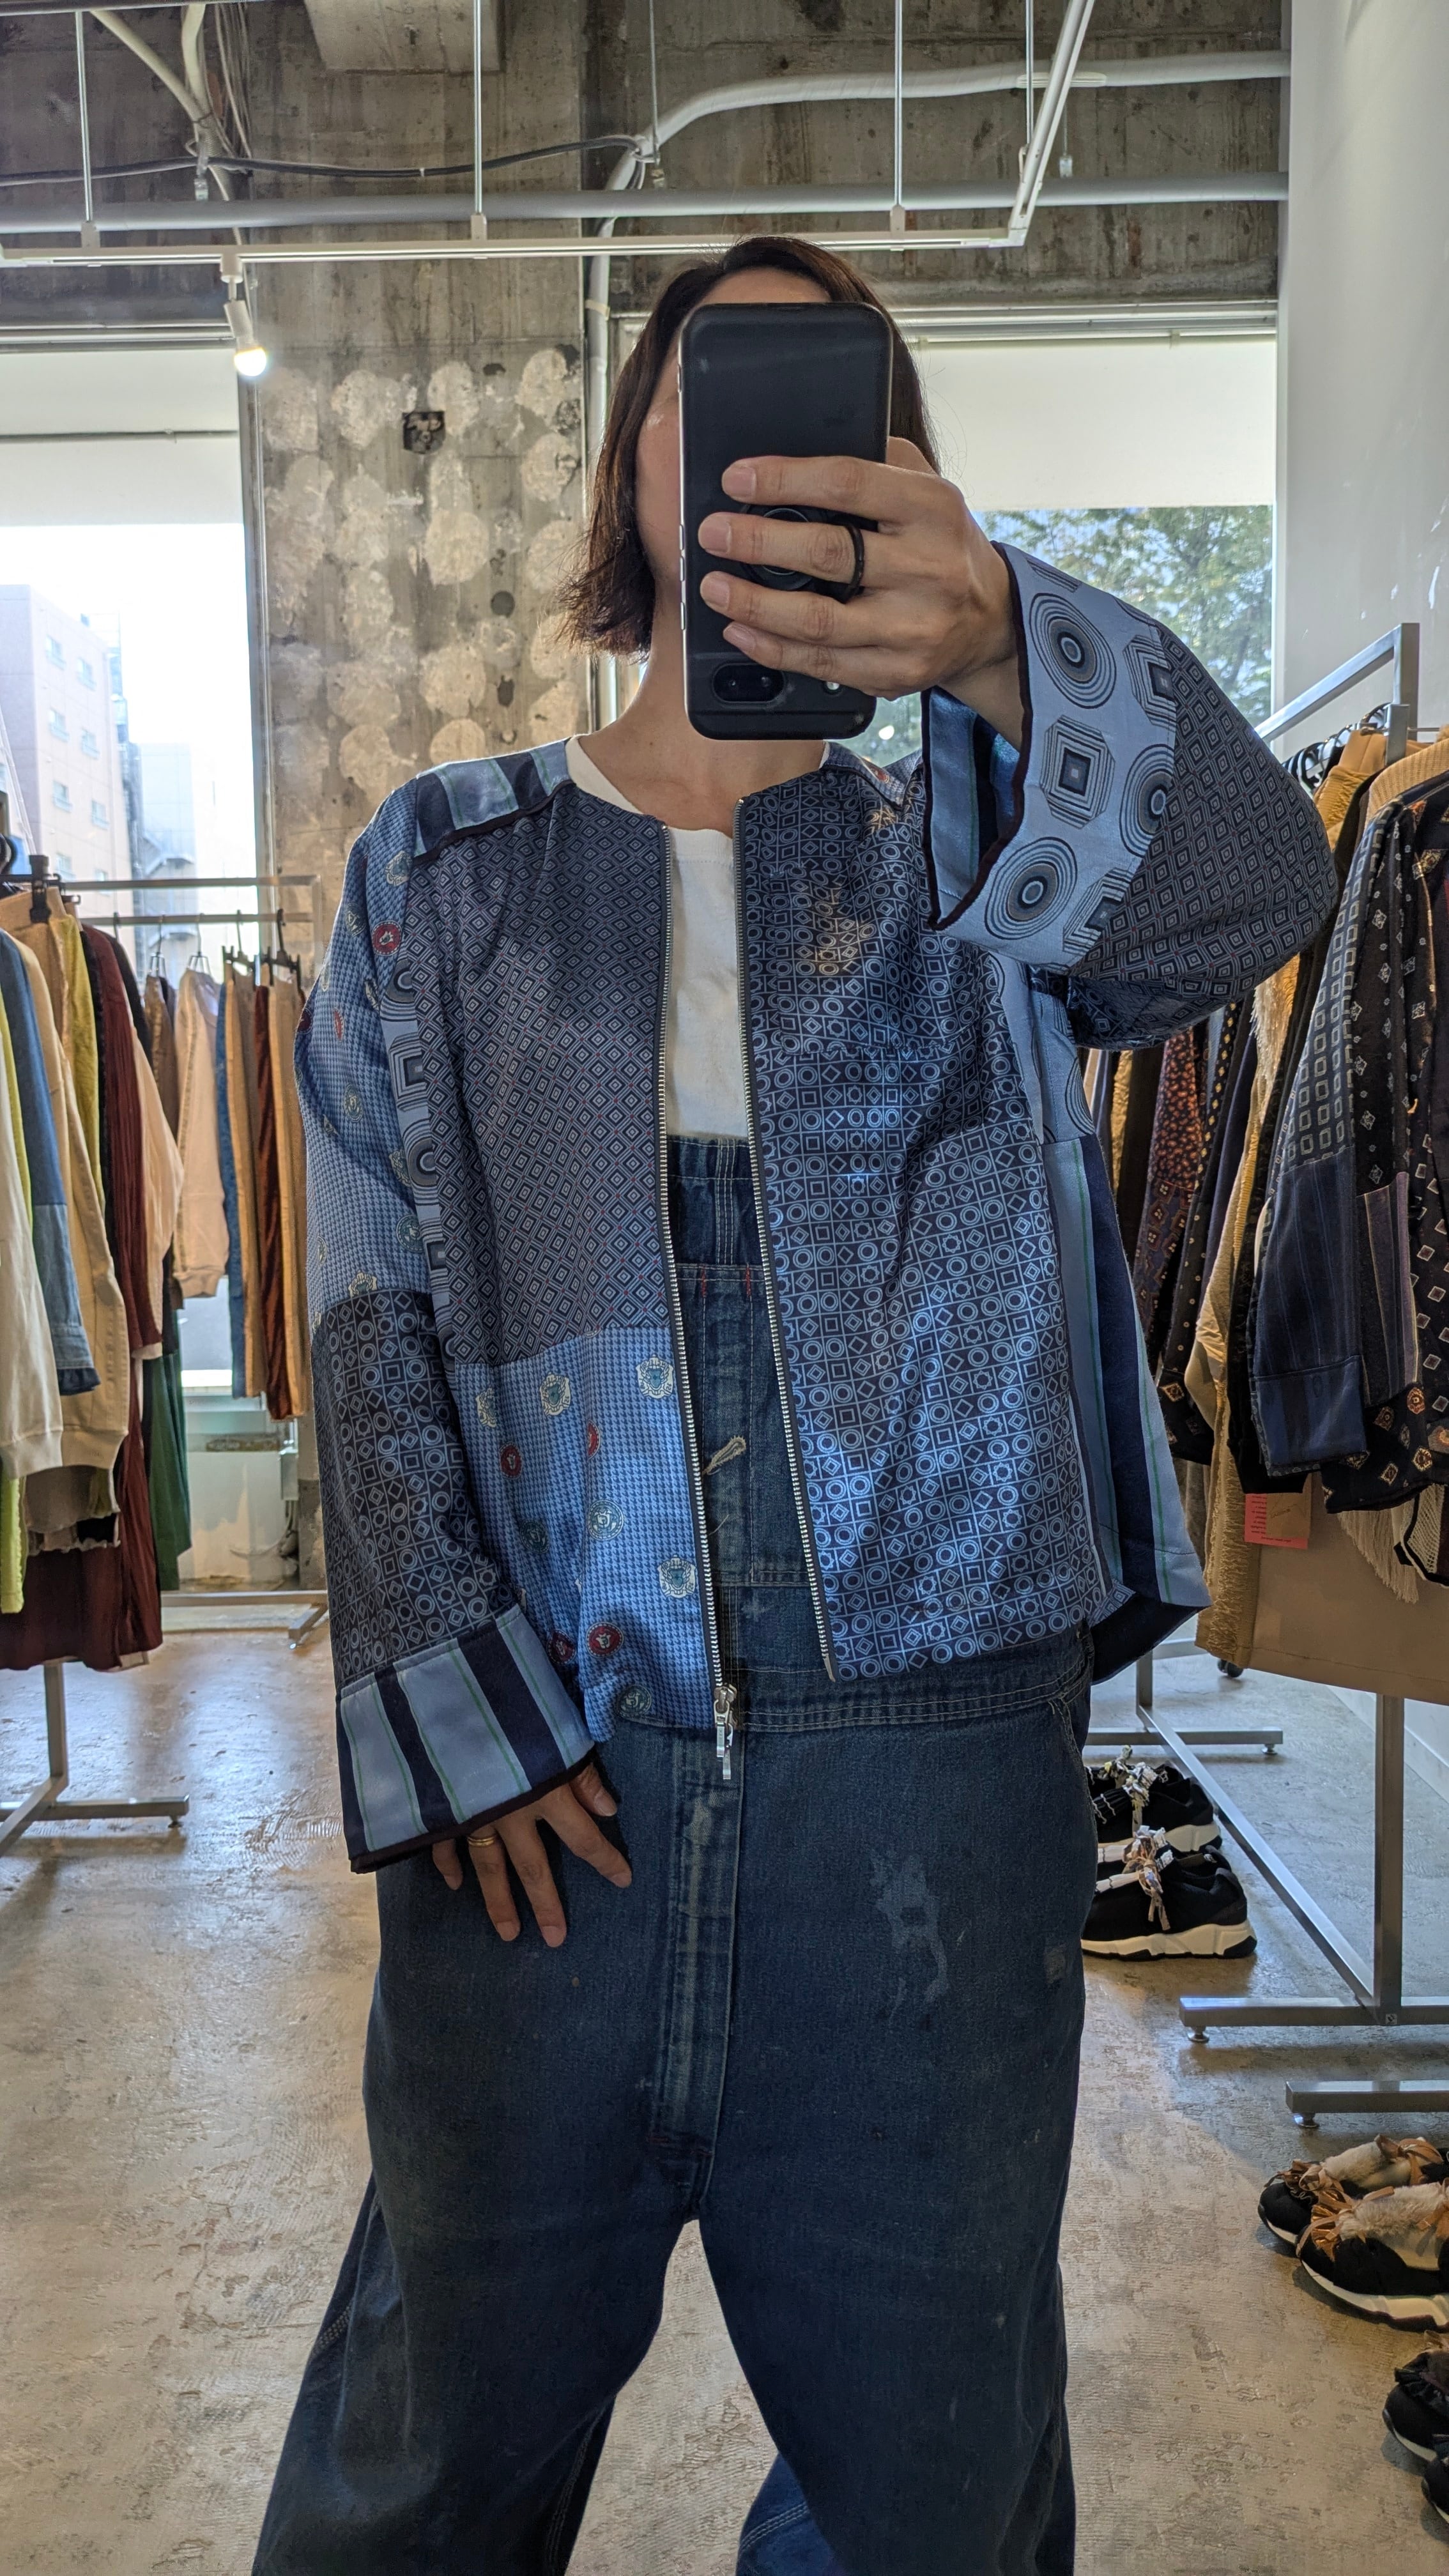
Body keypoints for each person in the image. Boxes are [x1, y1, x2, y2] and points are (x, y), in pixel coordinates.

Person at [254, 236, 1332, 2576]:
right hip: (550, 1777)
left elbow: (1268, 886)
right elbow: (368, 1303)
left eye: (829, 398)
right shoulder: (450, 867)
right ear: (630, 459)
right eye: (705, 379)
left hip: (930, 1777)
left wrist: (1008, 635)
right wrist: (453, 1704)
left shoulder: (986, 861)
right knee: (420, 2465)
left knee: (935, 2488)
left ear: (897, 471)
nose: (754, 436)